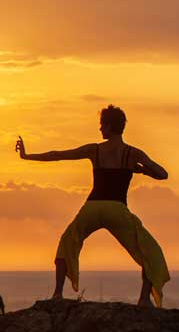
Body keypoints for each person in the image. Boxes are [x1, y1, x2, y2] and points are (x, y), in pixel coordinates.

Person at [15, 105, 170, 307]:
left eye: (101, 126)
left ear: (108, 126)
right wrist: (140, 170)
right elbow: (162, 174)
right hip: (117, 209)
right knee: (149, 250)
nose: (99, 130)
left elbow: (58, 154)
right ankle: (143, 300)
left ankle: (57, 294)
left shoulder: (94, 150)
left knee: (67, 241)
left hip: (93, 207)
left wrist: (27, 156)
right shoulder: (132, 153)